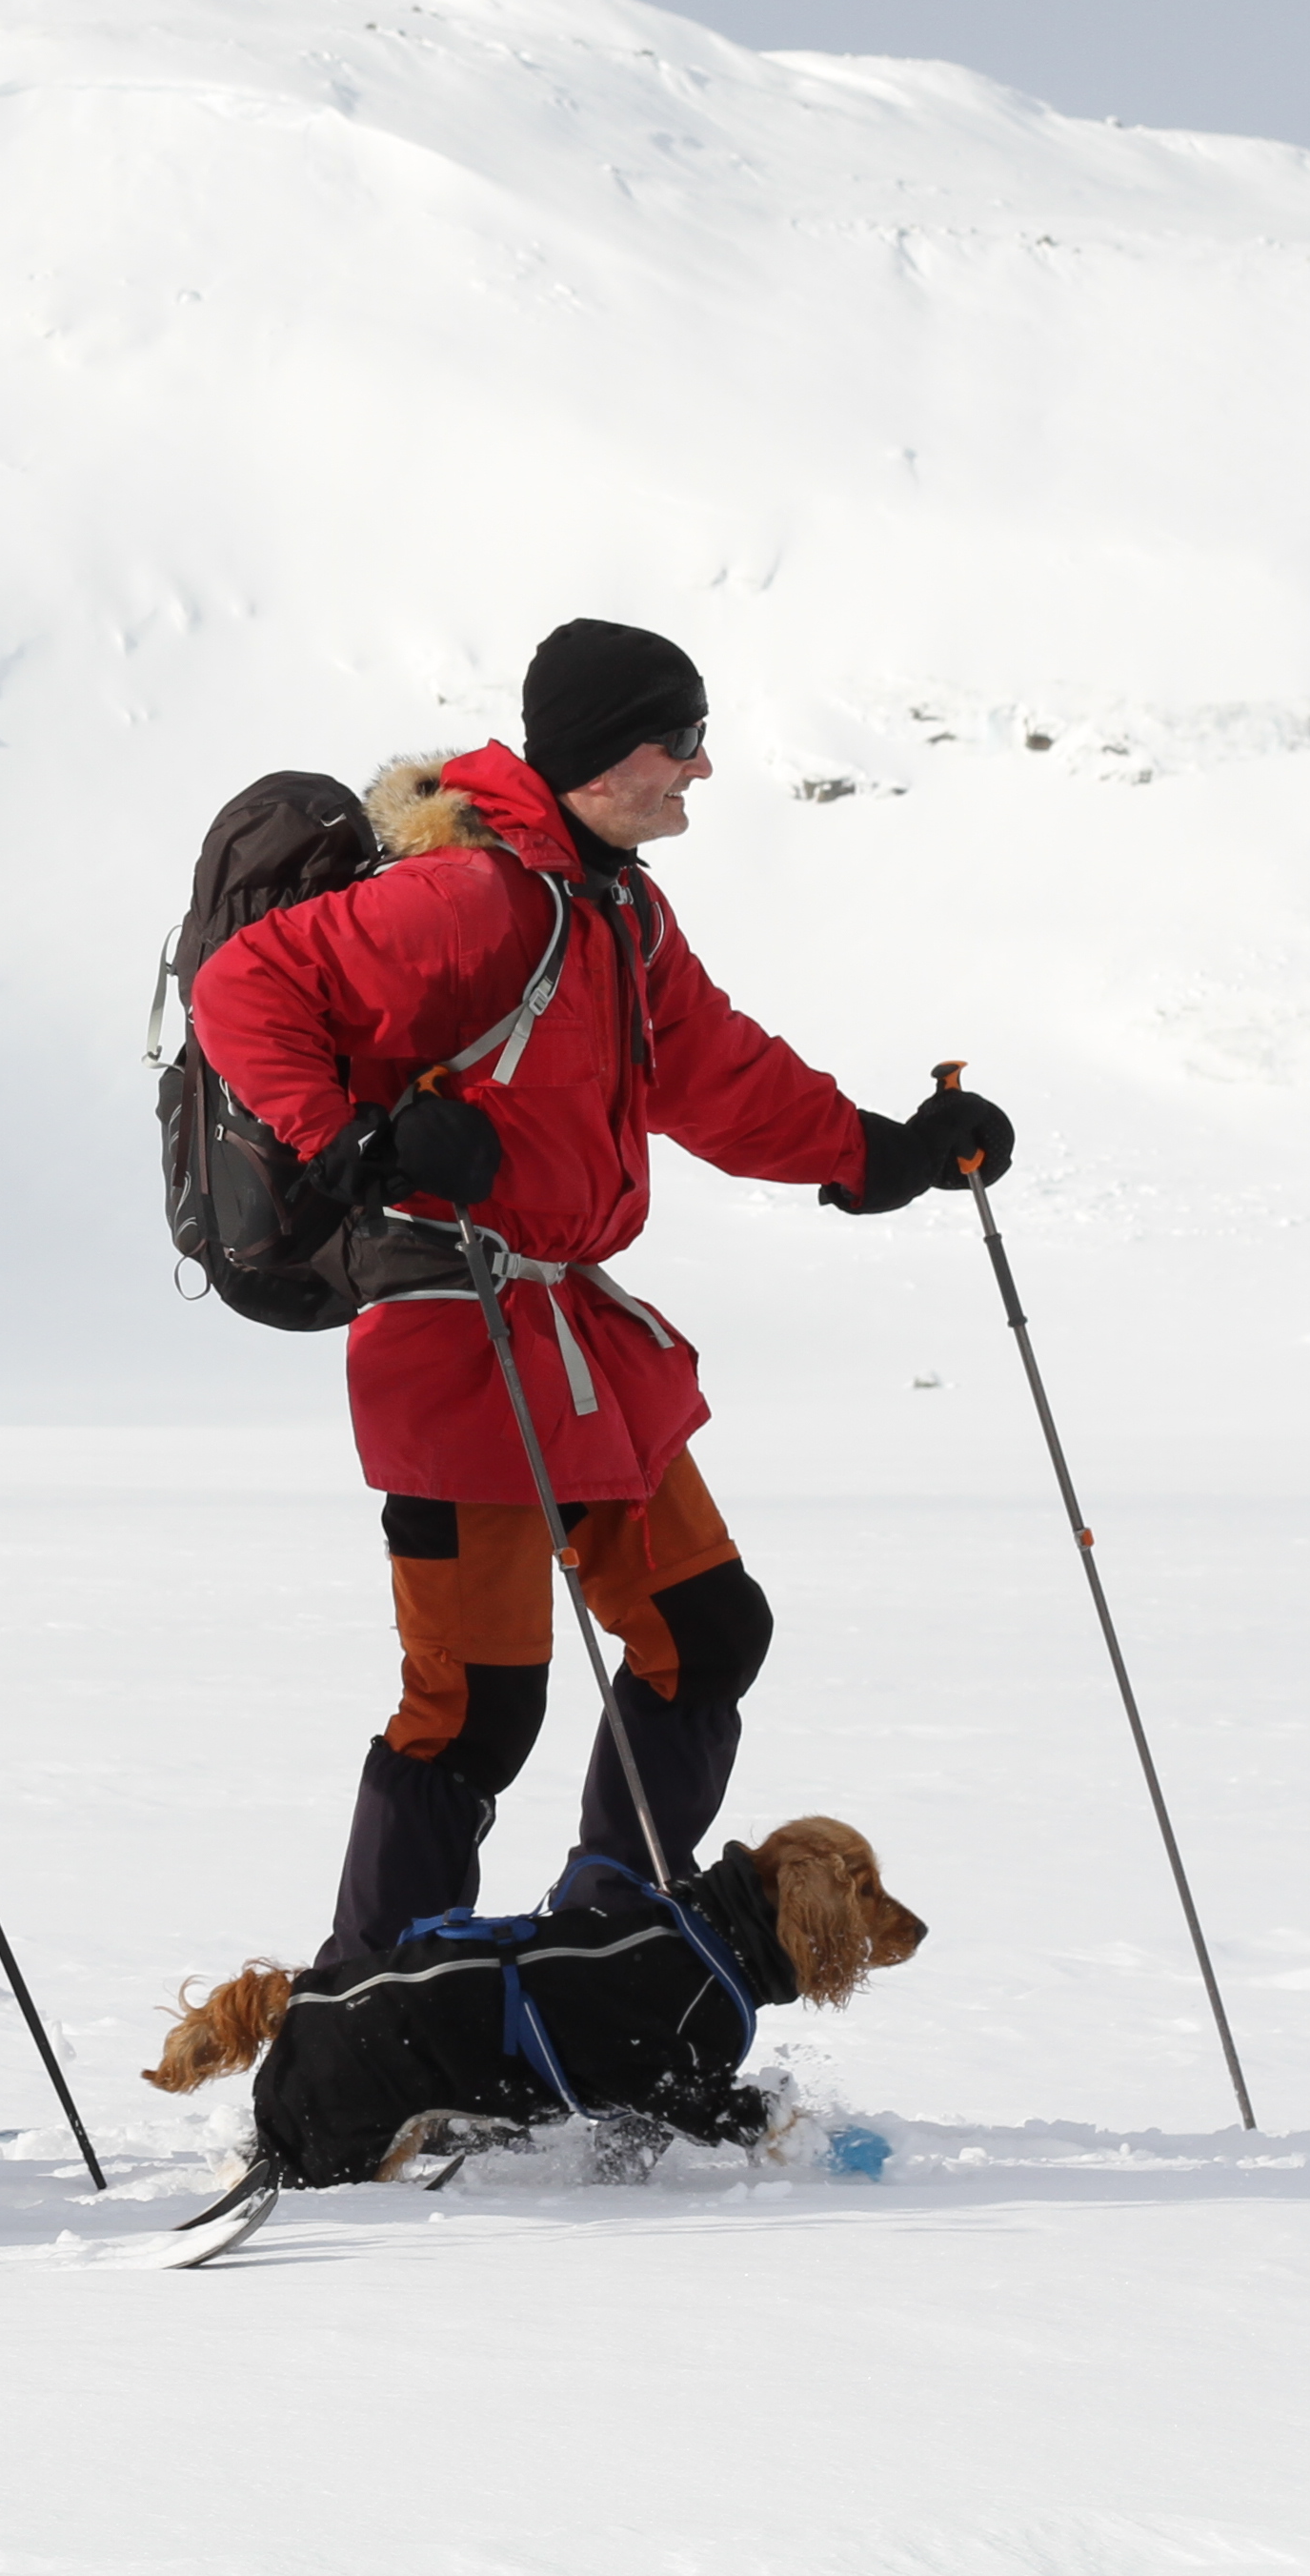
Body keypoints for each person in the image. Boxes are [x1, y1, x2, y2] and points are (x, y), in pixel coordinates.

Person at [186, 619, 1011, 1957]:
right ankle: (372, 2020)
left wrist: (886, 1152)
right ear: (603, 752)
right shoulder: (472, 898)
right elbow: (243, 989)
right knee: (474, 1713)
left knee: (707, 1631)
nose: (699, 768)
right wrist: (352, 1140)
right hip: (454, 1339)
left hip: (568, 1337)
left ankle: (609, 1954)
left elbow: (718, 1073)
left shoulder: (614, 906)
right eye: (680, 740)